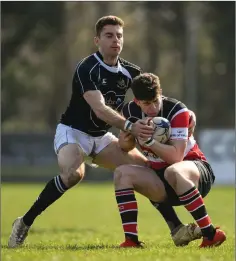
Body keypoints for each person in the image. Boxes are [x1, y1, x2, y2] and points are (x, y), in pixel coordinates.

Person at [8, 16, 197, 248]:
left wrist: (186, 113)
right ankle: (24, 222)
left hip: (101, 138)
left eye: (119, 35)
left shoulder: (131, 71)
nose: (115, 40)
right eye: (109, 35)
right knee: (73, 175)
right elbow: (99, 109)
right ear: (97, 40)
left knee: (145, 169)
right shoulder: (86, 68)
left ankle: (176, 229)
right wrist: (128, 126)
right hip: (73, 132)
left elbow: (152, 95)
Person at [115, 72, 226, 248]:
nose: (152, 108)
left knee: (173, 170)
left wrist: (149, 141)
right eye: (146, 104)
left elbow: (176, 157)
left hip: (195, 174)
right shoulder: (129, 111)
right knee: (122, 173)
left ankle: (210, 234)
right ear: (137, 101)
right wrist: (129, 137)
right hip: (163, 181)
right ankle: (131, 241)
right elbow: (124, 146)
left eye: (155, 101)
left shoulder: (177, 110)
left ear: (161, 94)